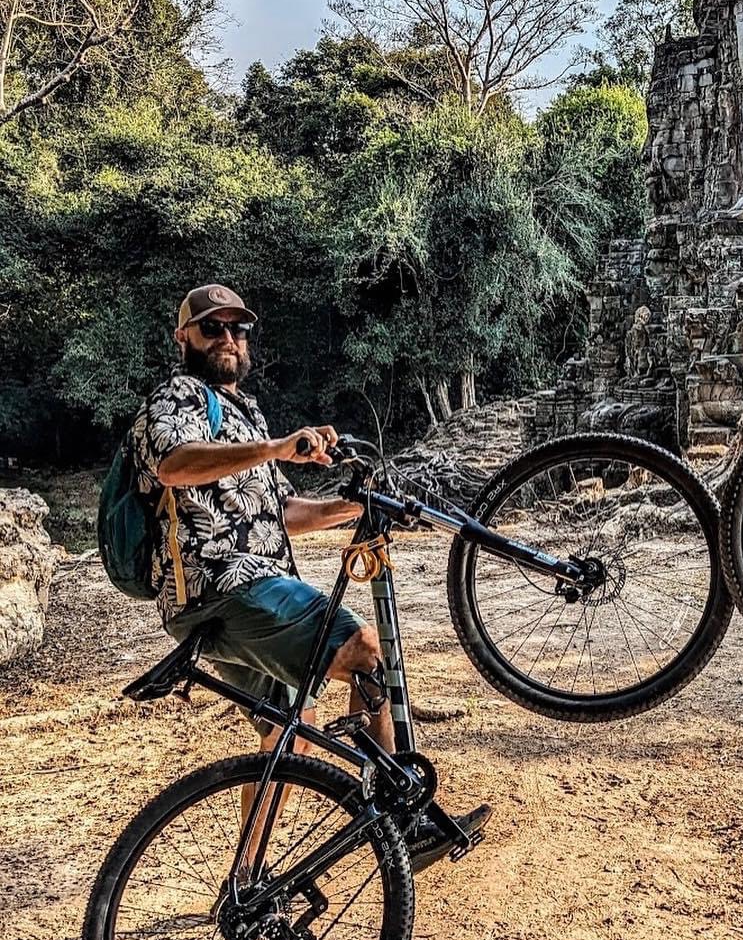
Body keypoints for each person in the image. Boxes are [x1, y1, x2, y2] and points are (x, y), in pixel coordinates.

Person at [134, 283, 489, 868]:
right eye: (212, 328)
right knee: (363, 650)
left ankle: (244, 882)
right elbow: (174, 466)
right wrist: (275, 448)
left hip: (242, 597)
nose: (227, 339)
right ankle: (405, 826)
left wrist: (357, 508)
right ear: (184, 338)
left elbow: (285, 515)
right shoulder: (175, 398)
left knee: (289, 739)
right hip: (223, 585)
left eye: (237, 329)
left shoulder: (246, 413)